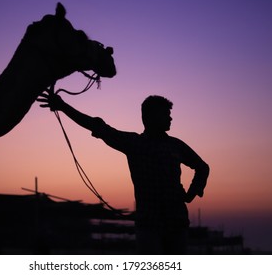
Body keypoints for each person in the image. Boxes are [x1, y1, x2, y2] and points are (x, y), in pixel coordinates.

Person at [38, 92, 209, 254]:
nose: (170, 118)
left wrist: (192, 192)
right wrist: (63, 106)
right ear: (149, 117)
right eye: (165, 114)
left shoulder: (175, 145)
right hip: (149, 224)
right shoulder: (135, 143)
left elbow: (202, 167)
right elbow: (97, 126)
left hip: (176, 222)